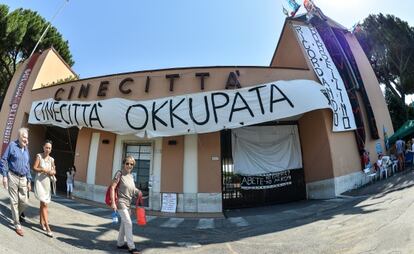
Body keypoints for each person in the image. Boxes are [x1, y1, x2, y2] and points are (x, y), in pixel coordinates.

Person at [0, 127, 32, 237]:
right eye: (24, 137)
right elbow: (3, 159)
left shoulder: (26, 149)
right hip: (12, 176)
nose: (26, 139)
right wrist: (4, 176)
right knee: (14, 201)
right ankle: (17, 224)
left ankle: (16, 214)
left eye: (27, 137)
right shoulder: (12, 145)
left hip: (23, 178)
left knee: (24, 202)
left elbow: (27, 165)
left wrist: (29, 180)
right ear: (19, 136)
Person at [110, 155, 141, 254]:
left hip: (128, 204)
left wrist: (138, 192)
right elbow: (112, 187)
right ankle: (131, 247)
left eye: (131, 164)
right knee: (128, 223)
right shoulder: (119, 173)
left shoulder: (131, 176)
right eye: (127, 163)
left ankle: (120, 243)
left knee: (124, 224)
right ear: (124, 164)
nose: (129, 165)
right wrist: (113, 203)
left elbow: (132, 189)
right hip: (121, 202)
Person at [33, 140, 56, 237]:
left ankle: (41, 222)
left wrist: (52, 172)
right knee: (44, 204)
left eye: (49, 148)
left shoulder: (51, 159)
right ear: (43, 147)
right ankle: (47, 227)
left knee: (43, 204)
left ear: (51, 149)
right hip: (39, 183)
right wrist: (43, 169)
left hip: (47, 184)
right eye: (46, 147)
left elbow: (54, 170)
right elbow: (34, 168)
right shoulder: (39, 156)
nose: (47, 149)